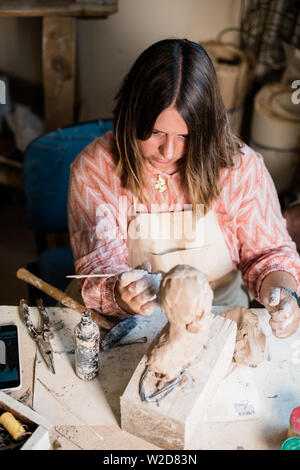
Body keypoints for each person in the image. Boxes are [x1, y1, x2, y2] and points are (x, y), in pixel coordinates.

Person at [67, 38, 300, 339]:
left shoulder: (239, 168)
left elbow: (270, 255)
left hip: (214, 313)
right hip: (128, 320)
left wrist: (284, 295)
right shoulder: (96, 168)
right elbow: (99, 271)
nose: (167, 151)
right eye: (155, 133)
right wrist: (120, 292)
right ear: (130, 115)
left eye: (185, 137)